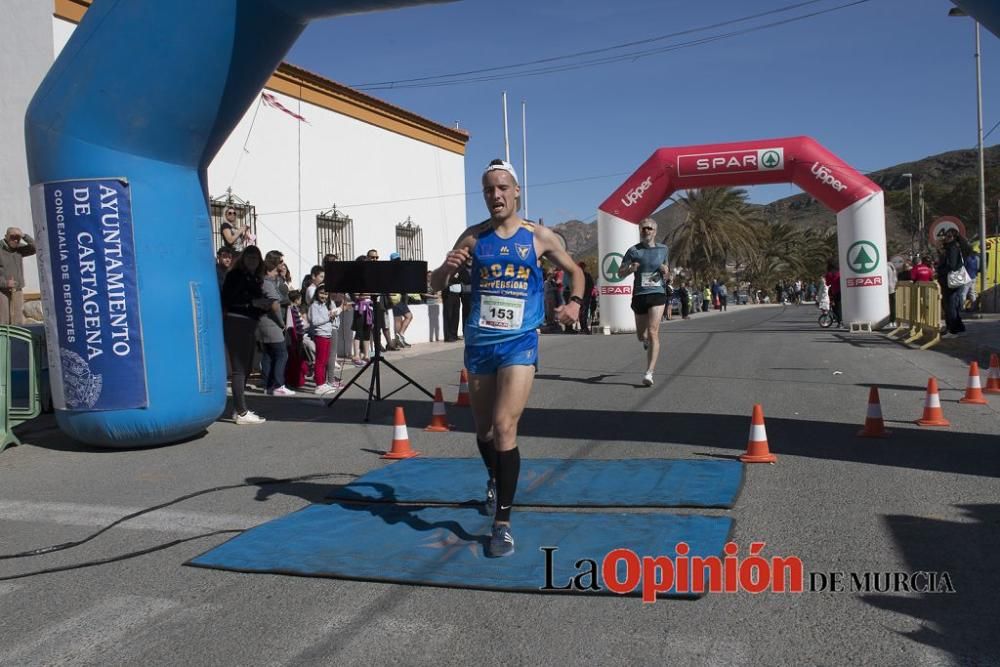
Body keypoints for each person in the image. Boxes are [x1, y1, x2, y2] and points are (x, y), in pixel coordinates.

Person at [430, 159, 582, 558]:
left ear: (516, 192)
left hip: (520, 342)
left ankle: (502, 523)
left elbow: (577, 272)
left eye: (501, 188)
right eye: (487, 190)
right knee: (483, 431)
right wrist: (445, 269)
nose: (495, 196)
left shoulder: (539, 237)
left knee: (504, 425)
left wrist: (576, 303)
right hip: (481, 344)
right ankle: (494, 478)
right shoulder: (474, 237)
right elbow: (434, 284)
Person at [617, 218, 669, 387]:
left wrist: (666, 271)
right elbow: (619, 273)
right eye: (643, 228)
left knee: (654, 331)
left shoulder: (664, 249)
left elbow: (668, 274)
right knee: (642, 335)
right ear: (640, 231)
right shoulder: (633, 251)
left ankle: (649, 372)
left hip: (657, 293)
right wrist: (630, 269)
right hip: (639, 295)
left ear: (655, 231)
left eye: (649, 228)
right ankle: (645, 341)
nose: (646, 231)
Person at [220, 246, 269, 424]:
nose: (252, 260)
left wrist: (262, 304)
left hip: (248, 322)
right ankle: (241, 412)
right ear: (243, 258)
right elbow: (229, 298)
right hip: (237, 321)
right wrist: (252, 303)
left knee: (247, 367)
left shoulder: (255, 278)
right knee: (239, 369)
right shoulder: (236, 275)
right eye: (249, 257)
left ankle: (238, 409)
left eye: (255, 258)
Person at [937, 229, 972, 336]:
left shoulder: (952, 248)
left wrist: (940, 270)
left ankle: (954, 329)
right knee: (949, 305)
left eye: (948, 236)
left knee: (950, 306)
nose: (945, 238)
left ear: (953, 237)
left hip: (951, 281)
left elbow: (952, 265)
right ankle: (954, 328)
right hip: (949, 281)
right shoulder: (952, 248)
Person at [0, 227, 36, 325]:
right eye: (12, 237)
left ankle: (16, 340)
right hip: (2, 291)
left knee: (18, 320)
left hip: (17, 289)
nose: (15, 240)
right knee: (3, 320)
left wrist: (24, 236)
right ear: (6, 236)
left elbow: (35, 247)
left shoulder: (19, 248)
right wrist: (5, 283)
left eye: (18, 237)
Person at [389, 252, 414, 347]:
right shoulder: (393, 271)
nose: (398, 262)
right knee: (409, 316)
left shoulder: (398, 270)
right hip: (396, 297)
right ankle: (400, 335)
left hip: (399, 297)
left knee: (398, 320)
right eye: (396, 260)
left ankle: (398, 340)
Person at [823, 260, 841, 326]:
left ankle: (840, 321)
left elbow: (828, 284)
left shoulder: (829, 274)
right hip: (843, 291)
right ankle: (841, 321)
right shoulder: (840, 272)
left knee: (836, 307)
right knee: (840, 306)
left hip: (835, 291)